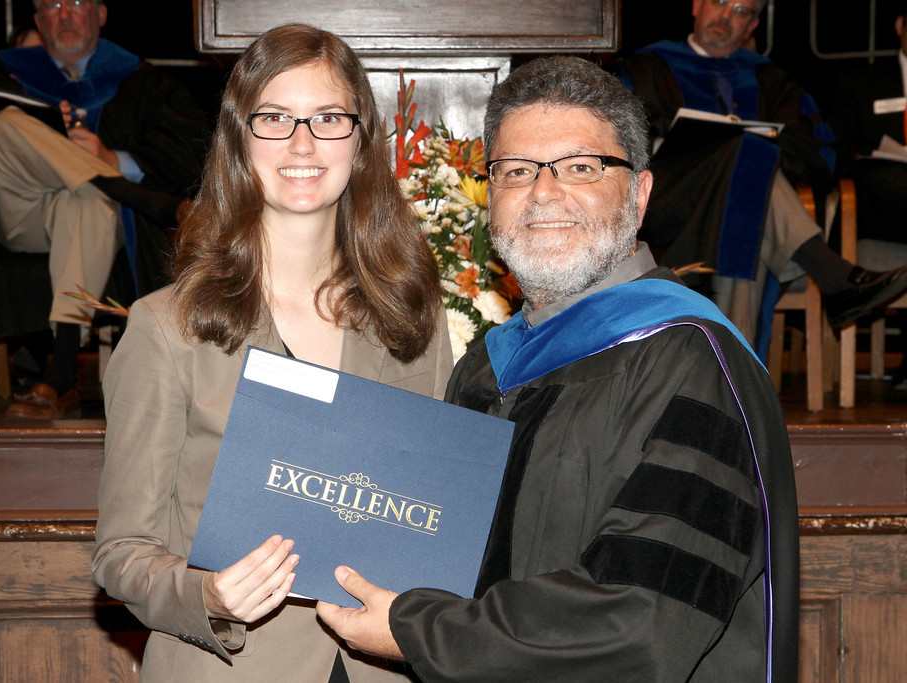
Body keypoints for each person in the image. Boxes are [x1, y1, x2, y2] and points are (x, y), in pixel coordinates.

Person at [315, 55, 800, 681]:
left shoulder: (693, 363)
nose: (543, 193)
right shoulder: (484, 369)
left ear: (640, 194)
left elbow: (643, 624)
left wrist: (418, 630)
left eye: (580, 167)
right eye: (517, 171)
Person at [91, 23, 453, 682]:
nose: (302, 143)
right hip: (232, 666)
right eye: (275, 118)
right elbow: (122, 554)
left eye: (329, 118)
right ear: (239, 138)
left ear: (361, 140)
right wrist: (208, 595)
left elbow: (436, 516)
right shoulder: (166, 328)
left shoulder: (410, 318)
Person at [0, 0, 209, 418]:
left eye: (76, 2)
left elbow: (192, 150)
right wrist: (39, 136)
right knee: (5, 123)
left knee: (87, 200)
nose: (64, 14)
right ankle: (145, 200)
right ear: (38, 20)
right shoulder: (4, 77)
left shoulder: (142, 82)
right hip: (18, 213)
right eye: (53, 4)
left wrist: (115, 158)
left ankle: (60, 374)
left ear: (101, 14)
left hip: (105, 222)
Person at [620, 0, 907, 353]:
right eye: (720, 2)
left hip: (749, 215)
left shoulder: (771, 80)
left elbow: (819, 153)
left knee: (748, 187)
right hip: (670, 206)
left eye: (741, 10)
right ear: (696, 5)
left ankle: (730, 372)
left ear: (752, 26)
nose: (726, 16)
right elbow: (622, 147)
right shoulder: (649, 67)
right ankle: (832, 273)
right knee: (748, 157)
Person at [828, 2, 907, 247]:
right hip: (885, 202)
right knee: (884, 180)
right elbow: (838, 149)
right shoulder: (859, 84)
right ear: (900, 25)